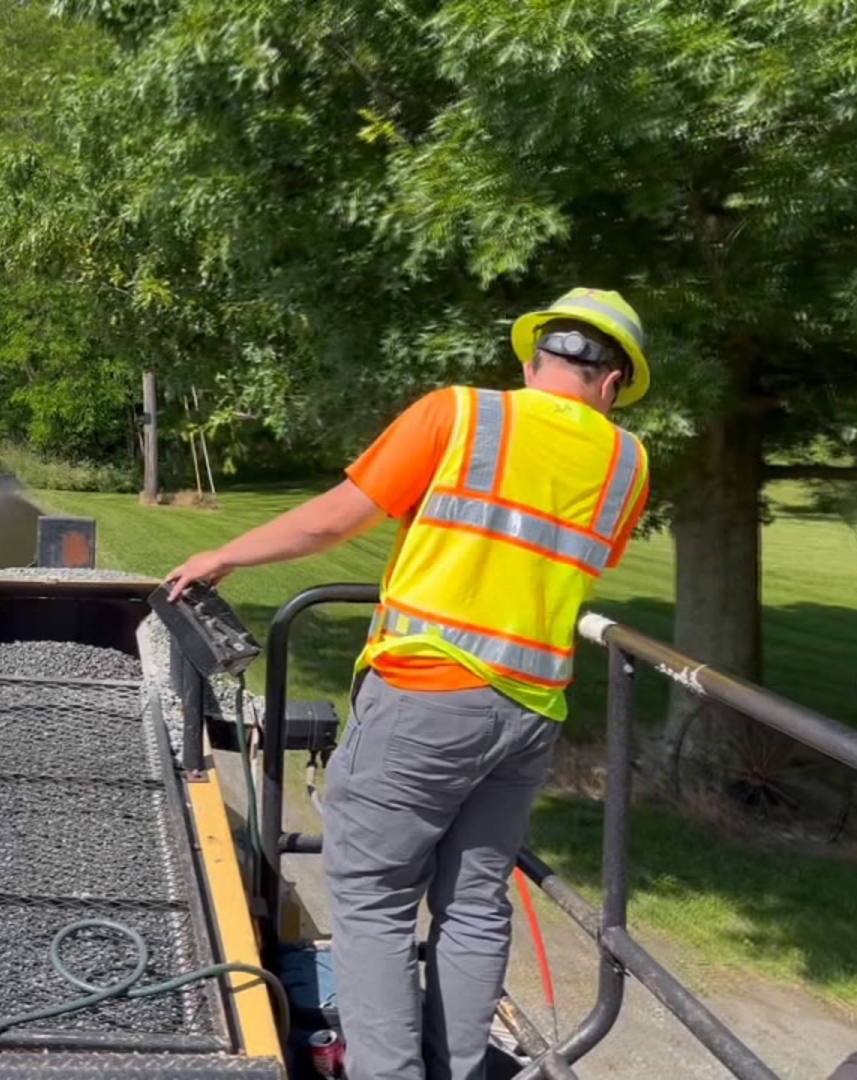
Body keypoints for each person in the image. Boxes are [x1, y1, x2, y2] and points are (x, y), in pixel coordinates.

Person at [167, 288, 653, 1080]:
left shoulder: (459, 414)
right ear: (611, 384)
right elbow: (585, 561)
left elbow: (336, 520)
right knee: (474, 904)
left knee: (375, 900)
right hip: (529, 714)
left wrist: (227, 555)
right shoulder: (628, 464)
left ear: (532, 360)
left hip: (426, 695)